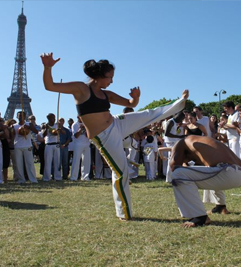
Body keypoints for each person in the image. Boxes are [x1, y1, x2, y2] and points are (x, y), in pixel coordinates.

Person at [41, 53, 188, 221]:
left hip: (117, 123)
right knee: (121, 172)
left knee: (147, 114)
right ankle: (124, 213)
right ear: (98, 77)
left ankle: (179, 104)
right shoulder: (81, 89)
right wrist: (48, 67)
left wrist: (136, 97)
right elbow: (50, 86)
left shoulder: (107, 94)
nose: (111, 81)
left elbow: (131, 105)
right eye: (109, 77)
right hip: (104, 136)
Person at [167, 135, 241, 228]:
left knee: (178, 174)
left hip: (229, 173)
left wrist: (178, 158)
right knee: (208, 171)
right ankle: (220, 206)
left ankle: (199, 217)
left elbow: (173, 166)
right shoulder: (201, 140)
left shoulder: (181, 143)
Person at [12, 111, 39, 184]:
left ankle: (33, 179)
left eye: (22, 116)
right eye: (19, 116)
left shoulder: (28, 124)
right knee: (18, 164)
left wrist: (29, 127)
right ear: (17, 117)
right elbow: (12, 136)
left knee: (30, 163)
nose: (20, 117)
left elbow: (36, 132)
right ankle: (21, 180)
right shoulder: (14, 126)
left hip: (27, 146)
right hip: (18, 146)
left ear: (25, 116)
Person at [42, 113, 62, 181]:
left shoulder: (57, 125)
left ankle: (58, 177)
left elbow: (62, 132)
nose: (54, 119)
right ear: (48, 118)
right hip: (49, 144)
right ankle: (47, 177)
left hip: (56, 144)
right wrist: (46, 129)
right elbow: (43, 135)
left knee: (57, 161)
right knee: (48, 162)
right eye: (52, 118)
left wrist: (59, 130)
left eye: (54, 118)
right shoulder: (45, 125)